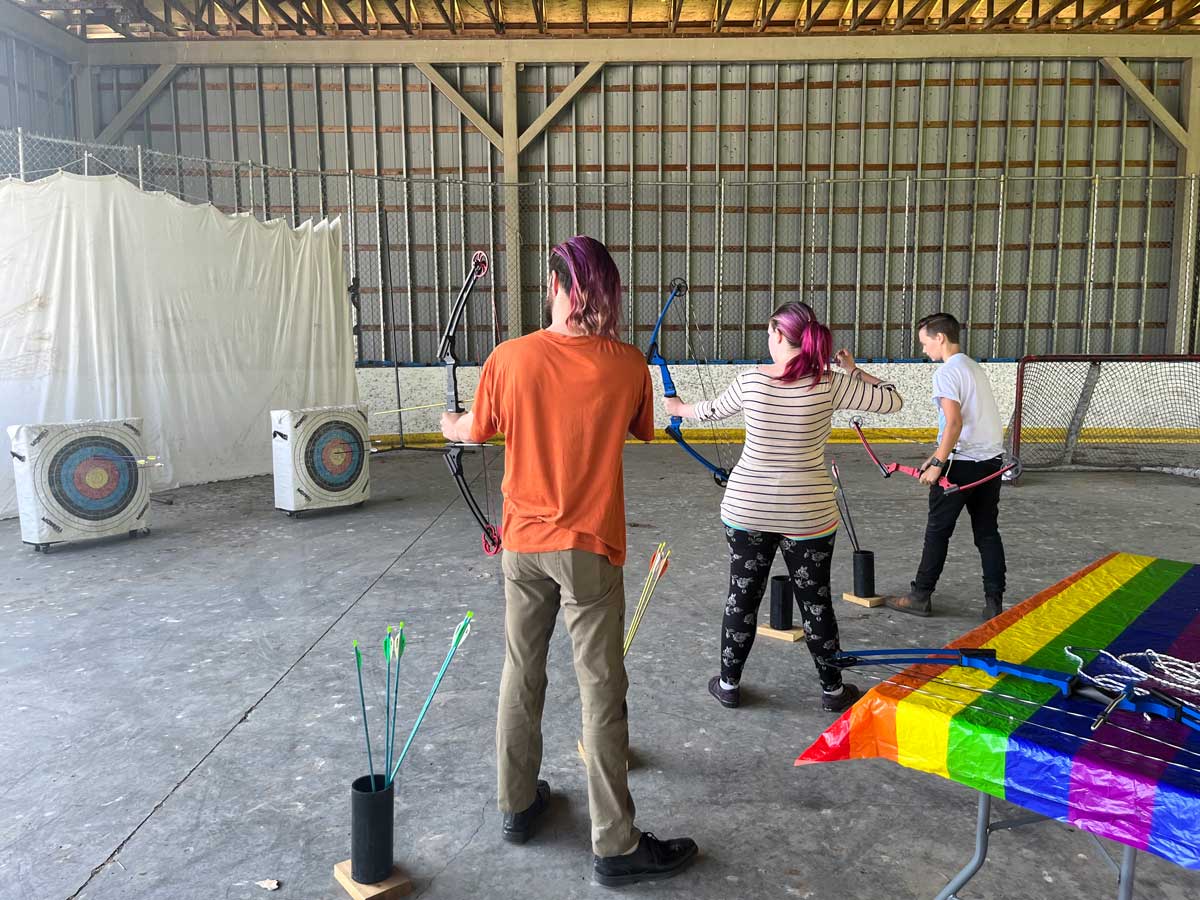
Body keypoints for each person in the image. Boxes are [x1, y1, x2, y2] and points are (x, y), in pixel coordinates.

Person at [442, 235, 697, 887]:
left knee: (521, 670)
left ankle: (517, 806)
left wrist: (450, 422)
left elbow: (472, 431)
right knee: (601, 687)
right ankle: (614, 843)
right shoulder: (626, 364)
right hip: (588, 549)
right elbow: (643, 427)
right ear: (604, 291)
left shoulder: (510, 358)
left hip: (523, 545)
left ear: (556, 286)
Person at [662, 301, 903, 713]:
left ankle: (728, 684)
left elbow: (708, 411)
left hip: (747, 509)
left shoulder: (752, 381)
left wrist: (677, 408)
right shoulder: (830, 383)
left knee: (742, 596)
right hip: (808, 513)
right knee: (816, 601)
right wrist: (854, 371)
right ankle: (832, 691)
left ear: (778, 334)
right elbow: (893, 400)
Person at [881, 312, 1007, 619]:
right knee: (987, 533)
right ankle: (994, 603)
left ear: (940, 338)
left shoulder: (947, 372)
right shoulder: (972, 367)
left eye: (925, 342)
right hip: (990, 463)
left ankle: (920, 596)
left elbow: (954, 422)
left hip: (959, 467)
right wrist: (936, 454)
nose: (924, 349)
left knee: (937, 532)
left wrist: (938, 463)